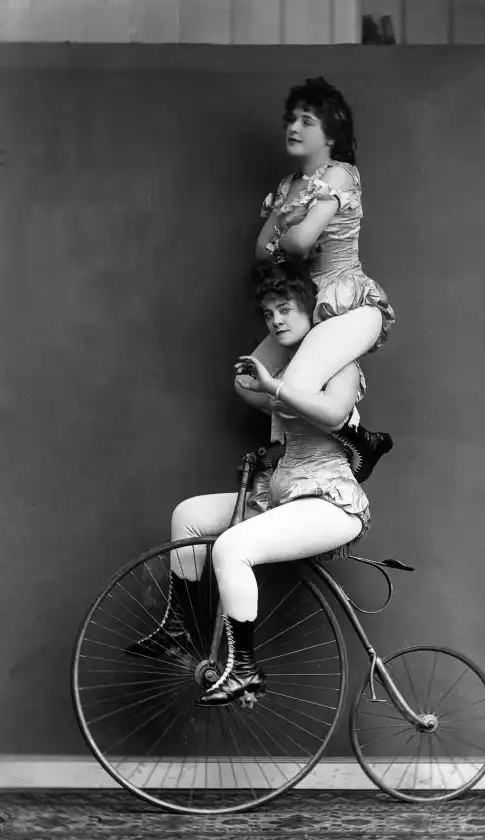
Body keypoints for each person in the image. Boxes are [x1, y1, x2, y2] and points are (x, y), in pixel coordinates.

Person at [126, 263, 371, 708]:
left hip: (329, 504)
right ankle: (178, 631)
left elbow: (334, 415)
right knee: (189, 515)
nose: (276, 320)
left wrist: (275, 385)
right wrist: (270, 401)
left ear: (312, 312)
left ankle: (244, 669)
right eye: (268, 313)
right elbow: (253, 390)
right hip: (284, 495)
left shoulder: (342, 366)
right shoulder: (290, 373)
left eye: (286, 309)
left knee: (231, 547)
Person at [248, 76, 395, 482]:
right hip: (306, 303)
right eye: (291, 120)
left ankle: (337, 443)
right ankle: (355, 437)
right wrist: (287, 231)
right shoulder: (288, 187)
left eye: (307, 121)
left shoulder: (340, 176)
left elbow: (297, 244)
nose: (293, 128)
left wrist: (285, 234)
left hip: (346, 301)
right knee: (246, 382)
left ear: (330, 134)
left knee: (295, 383)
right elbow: (261, 252)